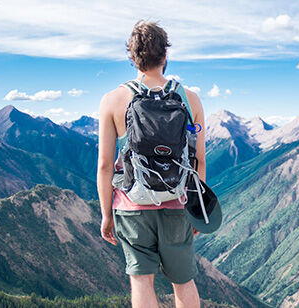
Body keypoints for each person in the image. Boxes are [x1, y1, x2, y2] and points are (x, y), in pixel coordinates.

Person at [97, 20, 206, 308]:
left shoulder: (112, 100)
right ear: (165, 55)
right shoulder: (189, 99)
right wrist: (198, 210)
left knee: (141, 281)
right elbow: (198, 161)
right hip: (177, 203)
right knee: (183, 281)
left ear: (131, 57)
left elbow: (106, 166)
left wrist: (106, 214)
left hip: (132, 207)